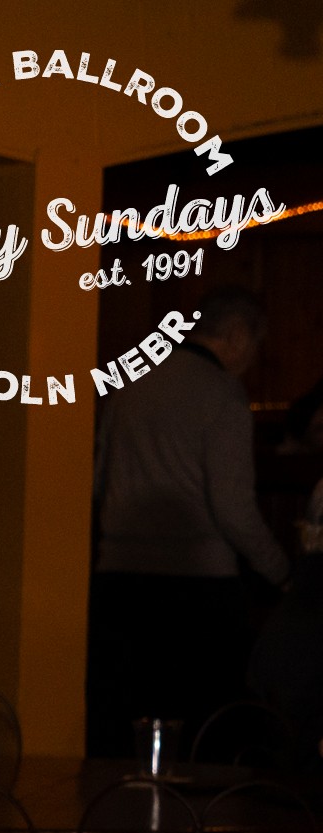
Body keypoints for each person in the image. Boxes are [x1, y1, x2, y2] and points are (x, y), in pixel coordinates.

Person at [89, 284, 290, 754]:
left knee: (123, 723)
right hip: (197, 586)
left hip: (119, 579)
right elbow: (233, 508)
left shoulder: (131, 383)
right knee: (203, 732)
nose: (252, 360)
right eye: (255, 346)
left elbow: (97, 481)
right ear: (237, 335)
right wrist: (281, 571)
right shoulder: (222, 395)